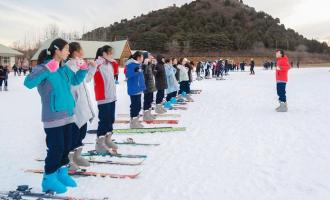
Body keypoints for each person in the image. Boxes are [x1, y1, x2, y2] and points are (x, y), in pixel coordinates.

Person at [24, 38, 88, 193]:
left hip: (68, 115)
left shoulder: (63, 68)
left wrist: (83, 69)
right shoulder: (43, 67)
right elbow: (28, 83)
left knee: (67, 146)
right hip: (53, 117)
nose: (68, 52)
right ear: (56, 50)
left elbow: (75, 80)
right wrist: (47, 68)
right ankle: (49, 179)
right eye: (65, 49)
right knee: (56, 148)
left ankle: (61, 173)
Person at [66, 42, 97, 170]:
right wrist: (82, 68)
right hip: (74, 106)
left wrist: (92, 68)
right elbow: (72, 85)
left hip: (83, 105)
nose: (83, 51)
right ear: (75, 52)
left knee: (81, 133)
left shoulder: (80, 64)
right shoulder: (69, 66)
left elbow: (87, 80)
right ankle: (69, 159)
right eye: (81, 49)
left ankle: (77, 156)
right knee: (73, 134)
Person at [93, 45, 118, 153]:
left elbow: (116, 72)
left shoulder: (110, 64)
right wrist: (101, 60)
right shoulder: (98, 63)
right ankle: (99, 143)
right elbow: (91, 72)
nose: (111, 55)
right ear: (103, 53)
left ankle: (107, 139)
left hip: (111, 95)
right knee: (104, 120)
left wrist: (113, 61)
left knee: (111, 119)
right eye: (109, 53)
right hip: (103, 96)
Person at [126, 51, 146, 128]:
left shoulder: (138, 64)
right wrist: (136, 71)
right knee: (135, 106)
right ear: (138, 57)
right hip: (134, 88)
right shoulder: (131, 64)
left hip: (138, 88)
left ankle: (135, 121)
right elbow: (128, 75)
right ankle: (133, 122)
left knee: (138, 105)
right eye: (142, 57)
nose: (143, 58)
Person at [142, 52, 157, 121]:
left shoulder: (149, 64)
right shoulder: (143, 65)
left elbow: (151, 72)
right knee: (147, 100)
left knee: (150, 100)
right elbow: (144, 74)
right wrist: (145, 64)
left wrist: (153, 64)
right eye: (149, 56)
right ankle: (145, 115)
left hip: (151, 85)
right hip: (147, 86)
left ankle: (149, 114)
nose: (151, 56)